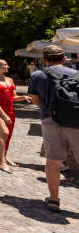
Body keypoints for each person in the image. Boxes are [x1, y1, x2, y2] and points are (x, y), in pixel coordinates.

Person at [28, 45, 79, 212]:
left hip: (50, 120)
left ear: (44, 59)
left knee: (53, 161)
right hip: (76, 121)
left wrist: (47, 110)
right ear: (64, 59)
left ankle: (54, 199)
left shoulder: (37, 75)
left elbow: (35, 98)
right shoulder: (76, 74)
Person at [0, 59, 31, 173]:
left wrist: (24, 97)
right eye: (4, 65)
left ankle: (5, 156)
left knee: (9, 134)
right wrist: (4, 115)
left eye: (7, 65)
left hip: (10, 109)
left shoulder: (10, 80)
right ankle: (1, 162)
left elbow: (14, 97)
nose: (7, 67)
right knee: (4, 132)